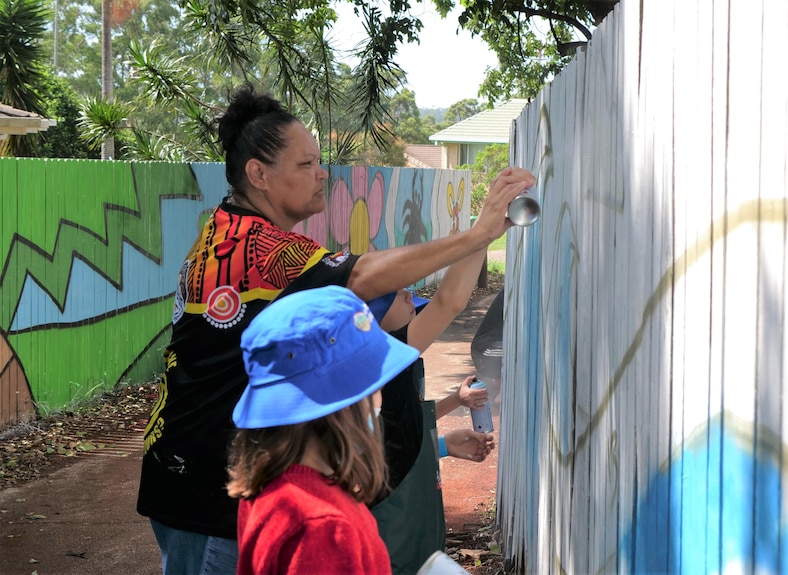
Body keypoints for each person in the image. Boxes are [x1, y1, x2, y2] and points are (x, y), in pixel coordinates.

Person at [136, 81, 535, 575]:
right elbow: (365, 274)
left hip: (201, 473)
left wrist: (485, 230)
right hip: (207, 487)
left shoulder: (228, 231)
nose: (322, 173)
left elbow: (445, 299)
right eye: (305, 164)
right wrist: (477, 233)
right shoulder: (256, 248)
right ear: (258, 174)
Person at [226, 285, 416, 575]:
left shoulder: (270, 488)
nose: (379, 396)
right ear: (342, 404)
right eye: (373, 383)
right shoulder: (324, 528)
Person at [364, 246, 495, 575]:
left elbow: (393, 430)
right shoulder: (386, 357)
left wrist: (441, 443)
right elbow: (450, 300)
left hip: (416, 531)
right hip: (394, 537)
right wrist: (484, 232)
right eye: (397, 292)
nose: (409, 294)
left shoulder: (394, 368)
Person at [471, 288, 505, 416]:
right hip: (487, 349)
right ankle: (502, 394)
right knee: (519, 353)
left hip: (491, 347)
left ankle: (501, 386)